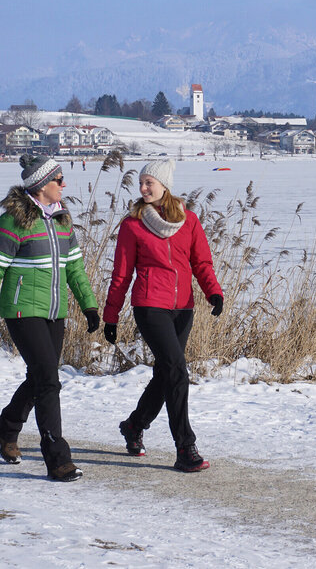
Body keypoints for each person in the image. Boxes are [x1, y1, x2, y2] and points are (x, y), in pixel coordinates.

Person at [0, 154, 99, 482]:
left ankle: (6, 427)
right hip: (21, 310)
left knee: (42, 377)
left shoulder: (62, 220)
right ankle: (57, 458)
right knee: (48, 381)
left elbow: (75, 269)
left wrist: (89, 306)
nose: (64, 184)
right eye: (58, 179)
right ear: (41, 185)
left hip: (54, 312)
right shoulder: (13, 221)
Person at [102, 158, 223, 472]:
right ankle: (185, 447)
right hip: (149, 305)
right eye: (141, 183)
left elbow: (202, 264)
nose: (142, 188)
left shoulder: (189, 221)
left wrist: (214, 292)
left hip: (183, 308)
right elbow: (121, 274)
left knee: (166, 373)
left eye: (148, 183)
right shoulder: (132, 225)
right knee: (177, 370)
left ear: (164, 185)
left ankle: (134, 425)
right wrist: (111, 315)